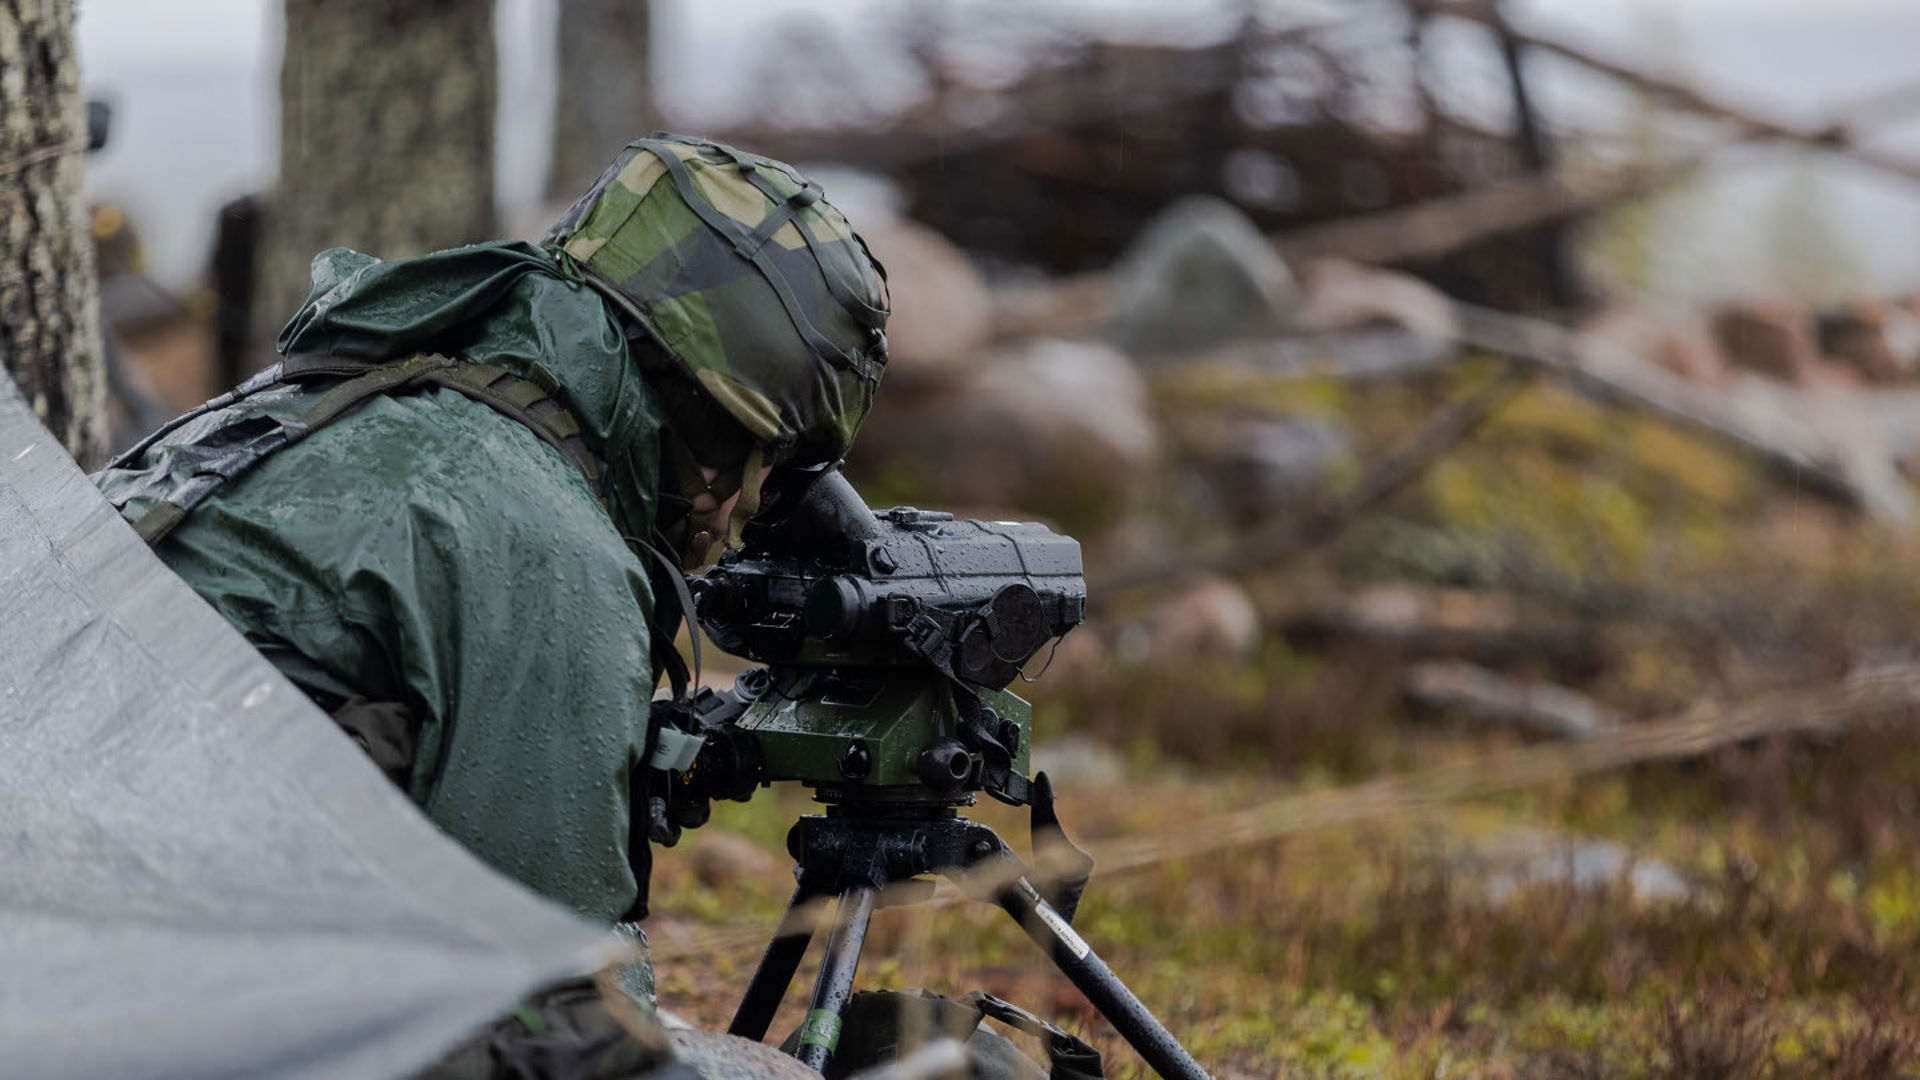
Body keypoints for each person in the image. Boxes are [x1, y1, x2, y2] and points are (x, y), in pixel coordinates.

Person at [93, 134, 889, 928]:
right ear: (699, 417)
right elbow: (543, 964)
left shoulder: (342, 396)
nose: (752, 507)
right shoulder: (546, 547)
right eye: (765, 458)